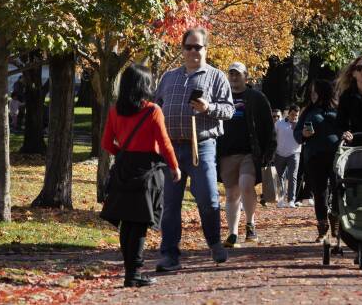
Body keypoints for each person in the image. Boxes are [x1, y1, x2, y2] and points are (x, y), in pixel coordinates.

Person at [154, 28, 235, 272]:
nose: (192, 51)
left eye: (197, 47)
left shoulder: (216, 77)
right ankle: (169, 255)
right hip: (171, 148)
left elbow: (229, 110)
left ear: (205, 49)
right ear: (182, 49)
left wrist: (208, 107)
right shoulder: (168, 77)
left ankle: (214, 243)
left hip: (202, 146)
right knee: (170, 205)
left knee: (209, 200)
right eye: (188, 47)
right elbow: (157, 107)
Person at [99, 64, 180, 288]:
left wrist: (124, 155)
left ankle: (130, 272)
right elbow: (164, 144)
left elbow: (107, 143)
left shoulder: (115, 110)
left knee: (127, 223)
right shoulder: (152, 111)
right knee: (140, 223)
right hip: (147, 171)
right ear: (144, 85)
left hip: (124, 169)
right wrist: (174, 167)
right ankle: (133, 274)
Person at [218, 62, 274, 247]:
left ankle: (250, 224)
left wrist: (268, 152)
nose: (234, 77)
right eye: (231, 74)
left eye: (238, 74)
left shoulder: (257, 98)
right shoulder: (221, 97)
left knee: (246, 185)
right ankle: (232, 233)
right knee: (232, 194)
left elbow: (268, 126)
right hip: (227, 153)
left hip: (250, 153)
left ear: (246, 77)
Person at [294, 80, 341, 241]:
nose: (312, 95)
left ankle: (335, 216)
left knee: (338, 188)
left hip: (337, 156)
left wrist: (347, 135)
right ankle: (322, 226)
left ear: (323, 93)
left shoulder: (339, 109)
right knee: (320, 193)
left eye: (315, 92)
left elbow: (348, 127)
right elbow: (297, 133)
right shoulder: (309, 111)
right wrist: (303, 134)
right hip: (314, 156)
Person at [274, 104, 302, 207]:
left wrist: (298, 129)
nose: (294, 117)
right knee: (279, 177)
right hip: (279, 153)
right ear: (288, 113)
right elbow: (273, 136)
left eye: (296, 115)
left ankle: (291, 200)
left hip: (294, 153)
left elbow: (304, 138)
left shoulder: (300, 124)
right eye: (292, 114)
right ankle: (281, 199)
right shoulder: (279, 123)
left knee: (292, 177)